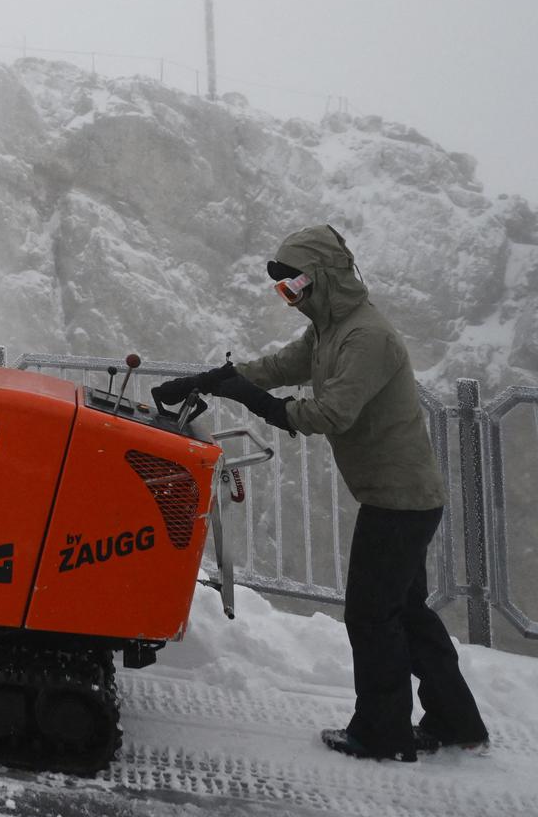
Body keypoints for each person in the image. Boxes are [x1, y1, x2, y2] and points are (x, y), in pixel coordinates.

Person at [152, 225, 489, 762]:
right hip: (395, 494)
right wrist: (215, 378)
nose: (290, 300)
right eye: (282, 291)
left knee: (371, 615)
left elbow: (333, 412)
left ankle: (382, 734)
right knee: (406, 611)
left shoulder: (367, 337)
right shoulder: (330, 329)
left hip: (399, 500)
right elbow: (283, 366)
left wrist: (261, 405)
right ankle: (456, 721)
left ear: (324, 279)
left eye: (294, 288)